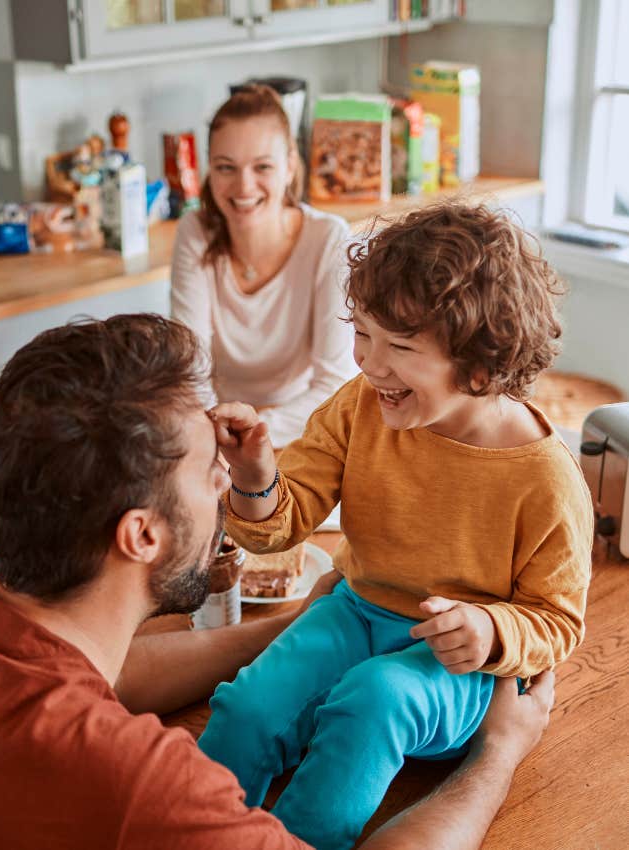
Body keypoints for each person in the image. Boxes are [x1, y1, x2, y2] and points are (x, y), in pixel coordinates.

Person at [0, 314, 555, 850]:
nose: (225, 474)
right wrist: (498, 755)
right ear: (141, 535)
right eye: (202, 464)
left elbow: (98, 673)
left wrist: (289, 629)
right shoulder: (142, 786)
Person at [200, 203, 593, 850]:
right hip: (356, 612)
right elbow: (280, 521)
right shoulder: (359, 408)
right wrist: (254, 478)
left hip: (455, 663)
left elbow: (557, 621)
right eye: (363, 334)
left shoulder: (546, 479)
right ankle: (194, 827)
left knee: (374, 698)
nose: (369, 365)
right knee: (248, 708)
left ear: (481, 367)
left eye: (401, 347)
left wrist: (490, 628)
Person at [171, 84, 358, 448]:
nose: (243, 186)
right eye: (226, 167)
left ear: (290, 166)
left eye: (263, 167)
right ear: (210, 167)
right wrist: (224, 436)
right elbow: (188, 372)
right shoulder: (194, 233)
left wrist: (249, 428)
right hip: (217, 436)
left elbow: (335, 385)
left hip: (304, 434)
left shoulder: (327, 238)